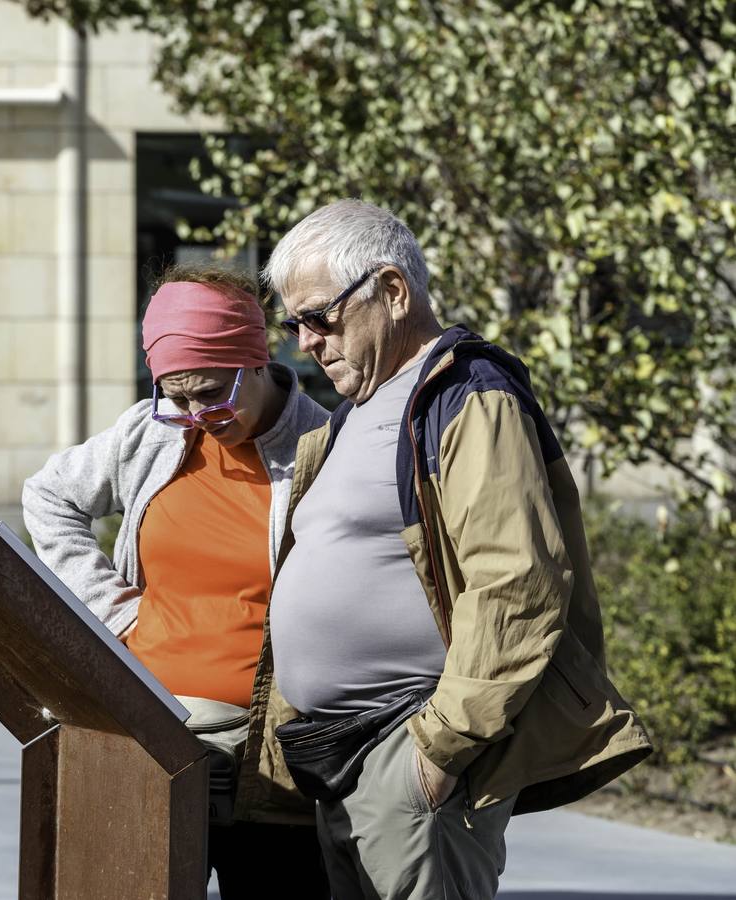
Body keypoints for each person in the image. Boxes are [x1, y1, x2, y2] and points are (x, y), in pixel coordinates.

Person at [264, 199, 652, 900]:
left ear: (391, 291)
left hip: (408, 754)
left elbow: (519, 585)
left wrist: (437, 753)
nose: (304, 343)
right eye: (293, 324)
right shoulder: (356, 412)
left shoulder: (466, 393)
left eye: (318, 317)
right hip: (343, 757)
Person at [23, 265, 331, 898]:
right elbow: (47, 495)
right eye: (177, 395)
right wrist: (111, 612)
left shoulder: (325, 446)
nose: (196, 414)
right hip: (148, 737)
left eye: (212, 392)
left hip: (265, 758)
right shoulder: (148, 433)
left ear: (256, 359)